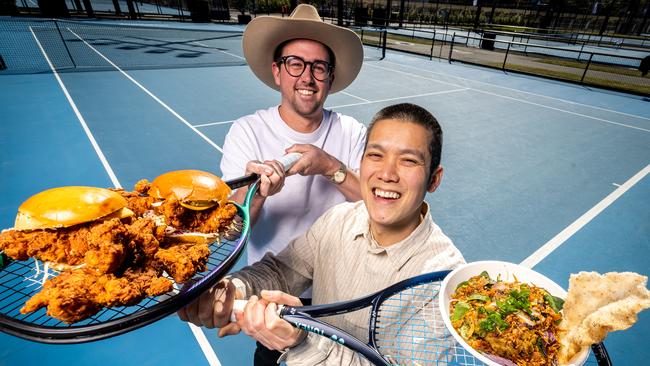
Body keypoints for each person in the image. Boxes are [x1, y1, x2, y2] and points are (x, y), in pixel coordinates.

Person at [179, 103, 466, 365]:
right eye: (375, 155)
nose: (387, 173)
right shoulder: (338, 219)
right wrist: (231, 290)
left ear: (434, 179)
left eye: (408, 161)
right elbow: (279, 272)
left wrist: (301, 342)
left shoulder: (446, 279)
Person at [219, 4, 366, 364]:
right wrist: (257, 192)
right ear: (277, 71)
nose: (307, 77)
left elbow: (375, 207)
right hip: (275, 292)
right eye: (295, 64)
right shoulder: (247, 132)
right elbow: (230, 226)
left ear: (330, 78)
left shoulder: (352, 132)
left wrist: (329, 165)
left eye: (319, 67)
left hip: (341, 294)